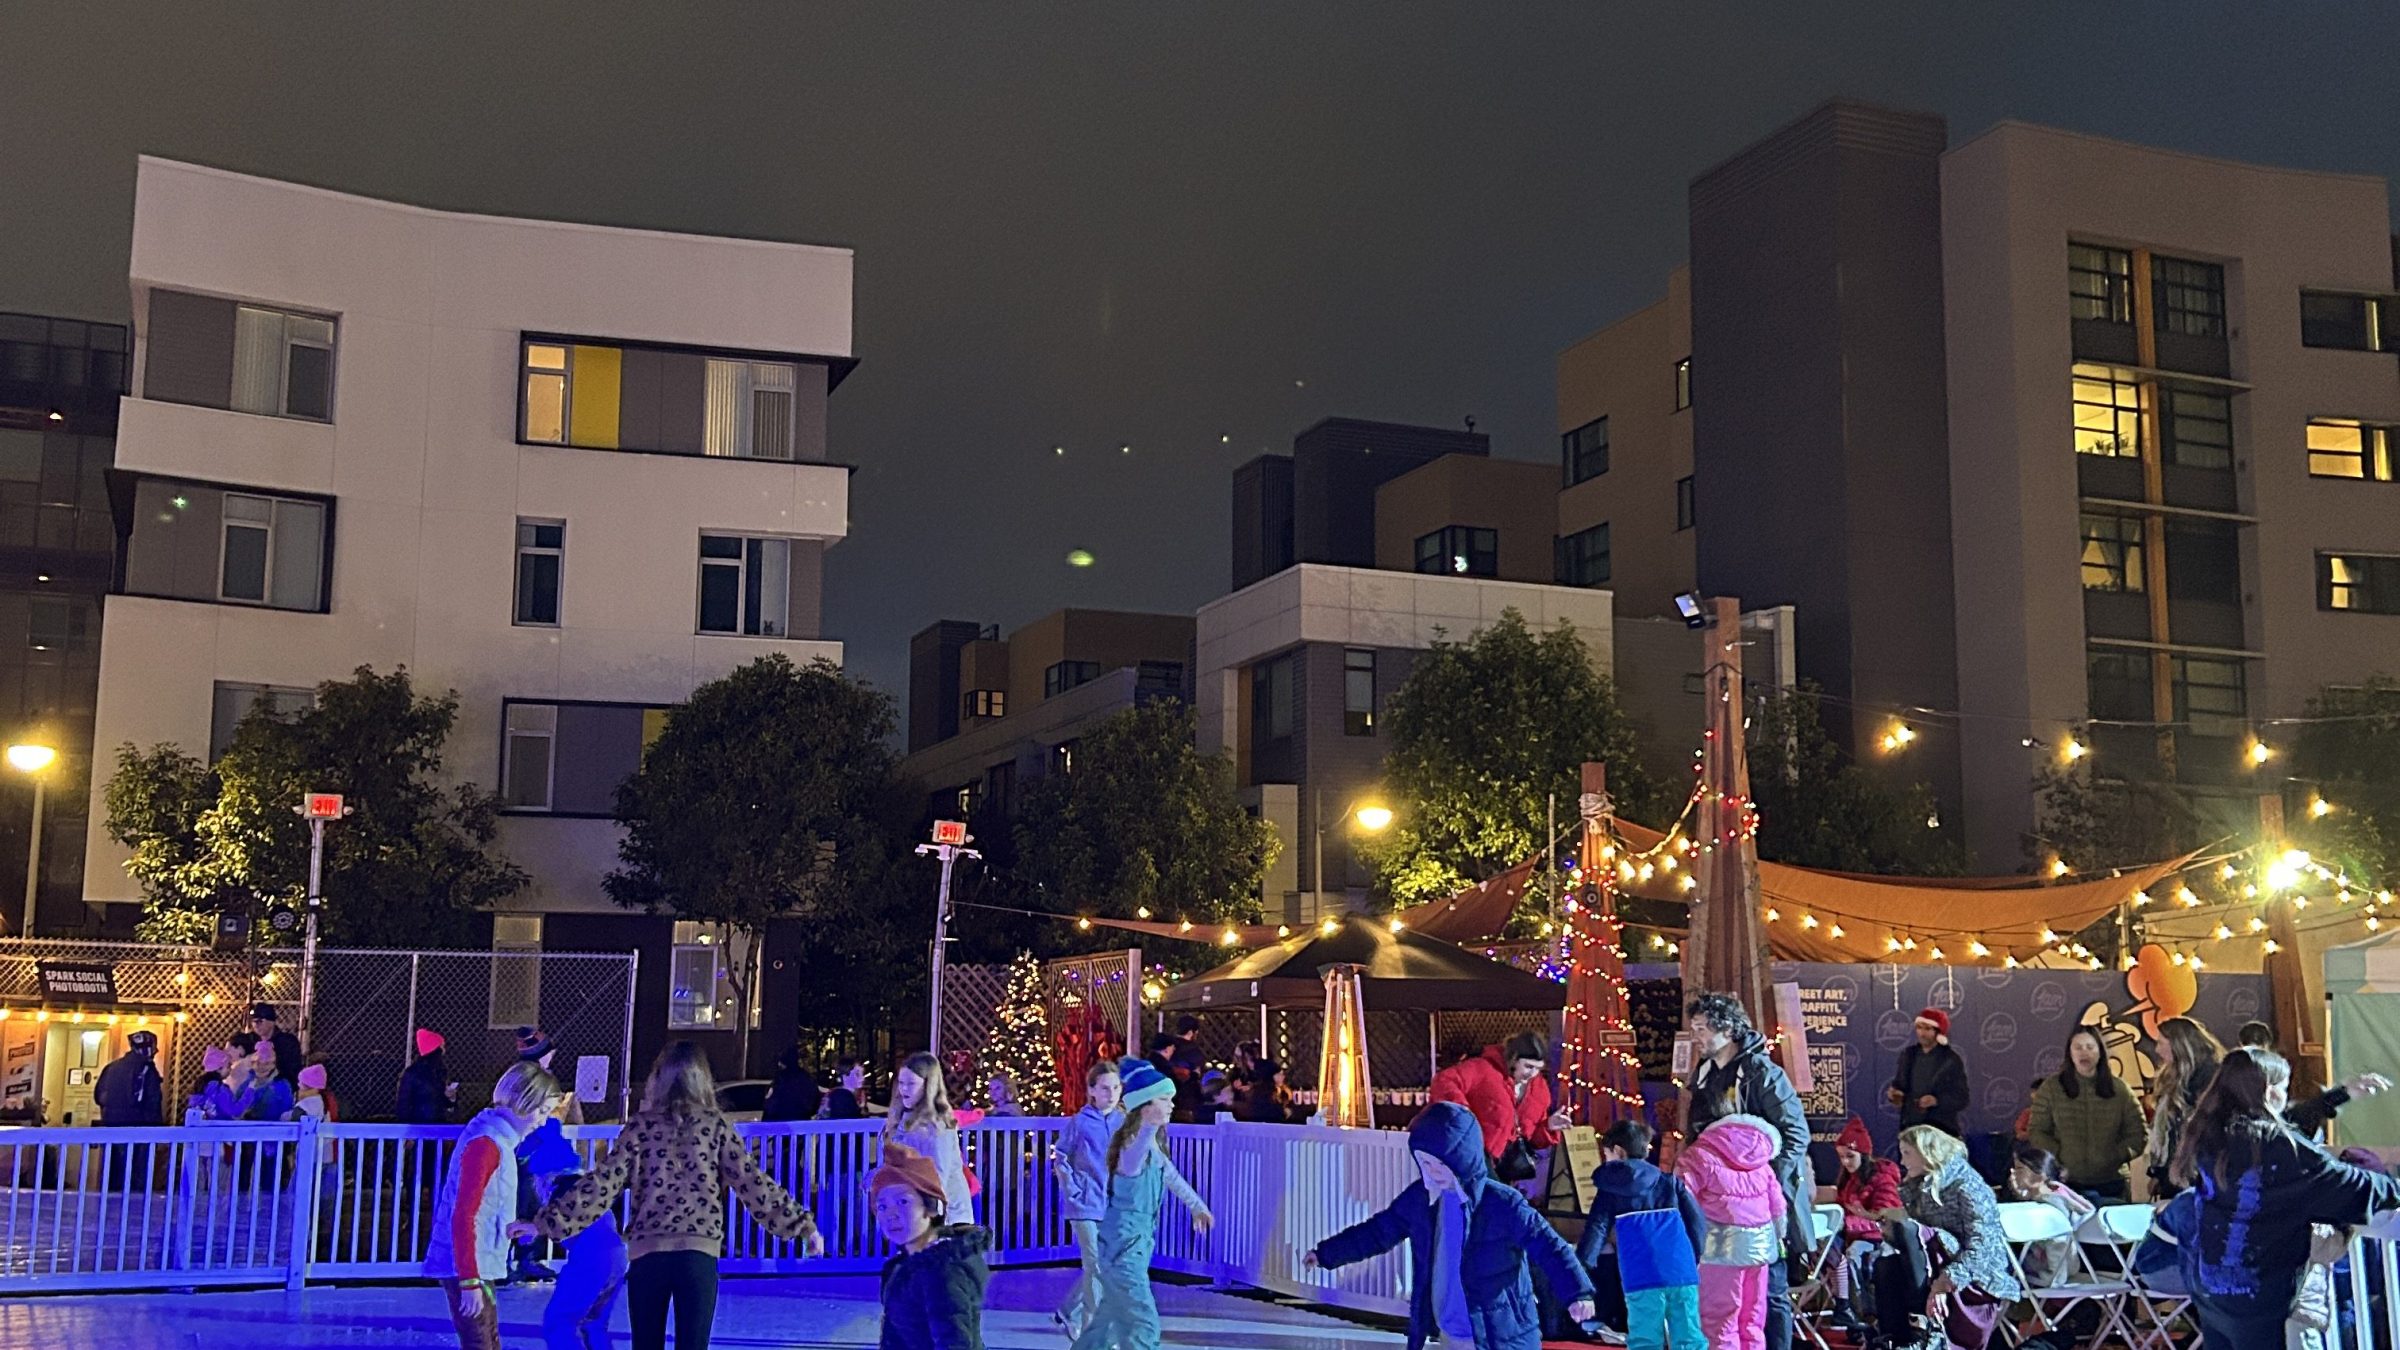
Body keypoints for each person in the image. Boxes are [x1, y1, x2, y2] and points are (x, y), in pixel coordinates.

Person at [537, 1041, 822, 1350]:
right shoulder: (715, 1128)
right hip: (697, 1254)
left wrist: (547, 1223)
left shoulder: (641, 1129)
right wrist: (802, 1226)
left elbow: (602, 1183)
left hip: (649, 1254)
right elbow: (753, 1184)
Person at [1306, 1101, 1595, 1350]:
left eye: (1441, 1164)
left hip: (1501, 1333)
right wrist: (1326, 1253)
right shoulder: (1421, 1201)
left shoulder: (1501, 1203)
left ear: (1463, 1158)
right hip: (1449, 1330)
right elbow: (1379, 1231)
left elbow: (1548, 1245)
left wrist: (1577, 1292)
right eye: (1426, 1164)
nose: (1433, 1172)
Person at [2168, 1047, 2400, 1350]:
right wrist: (2391, 1185)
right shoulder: (2277, 1148)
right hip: (2259, 1294)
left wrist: (2337, 1096)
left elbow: (2284, 1123)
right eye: (2284, 1088)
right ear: (2269, 1091)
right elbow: (2347, 1185)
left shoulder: (2211, 1133)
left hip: (2211, 1288)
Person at [1684, 993, 1812, 1350]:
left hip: (1761, 1204)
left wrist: (1765, 1178)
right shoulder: (1705, 1074)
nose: (1697, 1036)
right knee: (1724, 1297)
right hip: (1717, 1204)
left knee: (1769, 1290)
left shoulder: (1762, 1072)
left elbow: (1796, 1133)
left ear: (1727, 1028)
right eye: (1694, 1029)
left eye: (1702, 1029)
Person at [1070, 1058, 1213, 1350]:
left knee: (1105, 1325)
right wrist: (1149, 1124)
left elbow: (1171, 1176)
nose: (1171, 1105)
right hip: (1122, 1252)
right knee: (1142, 1324)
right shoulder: (1131, 1148)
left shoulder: (1149, 1149)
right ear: (1145, 1106)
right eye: (1164, 1099)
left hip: (1130, 1247)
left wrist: (1196, 1205)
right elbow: (1137, 1154)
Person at [426, 1062, 568, 1350]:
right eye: (541, 1111)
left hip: (477, 1262)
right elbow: (464, 1213)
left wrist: (506, 1225)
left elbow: (486, 1204)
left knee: (487, 1338)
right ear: (521, 1102)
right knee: (480, 1341)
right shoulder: (486, 1145)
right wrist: (469, 1281)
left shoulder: (496, 1140)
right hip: (467, 1265)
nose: (543, 1121)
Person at [1873, 1125, 2018, 1350]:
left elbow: (1983, 1246)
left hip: (1978, 1273)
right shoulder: (1917, 1186)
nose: (1902, 1162)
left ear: (1927, 1152)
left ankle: (1925, 1327)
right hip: (1935, 1263)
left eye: (1908, 1154)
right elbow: (1918, 1244)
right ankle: (1896, 1338)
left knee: (1909, 1229)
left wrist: (1945, 1282)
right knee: (1886, 1266)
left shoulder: (1968, 1186)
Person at [1576, 1118, 1705, 1350]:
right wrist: (1696, 1255)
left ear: (1618, 1151)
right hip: (1680, 1267)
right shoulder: (1669, 1182)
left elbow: (1597, 1228)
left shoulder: (1609, 1190)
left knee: (1645, 1336)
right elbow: (1696, 1222)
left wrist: (1583, 1265)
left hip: (1639, 1272)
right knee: (1688, 1333)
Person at [1677, 1112, 1790, 1350]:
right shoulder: (1761, 1158)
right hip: (1759, 1246)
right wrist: (1778, 1234)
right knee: (1752, 1317)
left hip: (1718, 1247)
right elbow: (1778, 1205)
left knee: (1719, 1317)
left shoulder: (1698, 1155)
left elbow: (1682, 1199)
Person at [514, 1119, 628, 1350]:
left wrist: (536, 1227)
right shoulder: (582, 1185)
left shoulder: (565, 1188)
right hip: (617, 1259)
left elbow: (569, 1212)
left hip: (591, 1262)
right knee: (594, 1325)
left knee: (558, 1323)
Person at [874, 1142, 991, 1350]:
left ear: (930, 1207)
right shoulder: (903, 1265)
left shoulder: (941, 1270)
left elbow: (954, 1342)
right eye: (882, 1206)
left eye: (903, 1202)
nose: (890, 1214)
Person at [2025, 1024, 2147, 1202]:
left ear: (2100, 1052)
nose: (2084, 1053)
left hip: (2112, 1184)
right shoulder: (2051, 1088)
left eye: (2090, 1047)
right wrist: (2059, 1159)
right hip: (2066, 1183)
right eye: (2078, 1047)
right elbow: (2037, 1130)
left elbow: (2138, 1134)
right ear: (2070, 1052)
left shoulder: (2120, 1090)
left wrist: (2115, 1156)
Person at [1428, 1032, 1573, 1176]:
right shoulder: (1482, 1069)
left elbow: (1532, 1137)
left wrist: (1549, 1126)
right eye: (1528, 1066)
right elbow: (1444, 1081)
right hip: (1473, 1156)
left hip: (1508, 1166)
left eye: (1538, 1068)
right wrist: (1462, 1114)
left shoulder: (1539, 1089)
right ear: (1513, 1059)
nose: (1532, 1074)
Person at [1053, 1059, 1124, 1338]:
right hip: (1084, 1203)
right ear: (1092, 1090)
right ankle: (1090, 1331)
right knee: (1095, 1265)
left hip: (1112, 1203)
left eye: (1116, 1087)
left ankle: (1066, 1310)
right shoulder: (1080, 1123)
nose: (1111, 1093)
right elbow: (1061, 1156)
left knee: (1103, 1265)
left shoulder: (1123, 1121)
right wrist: (1073, 1188)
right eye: (1105, 1088)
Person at [1826, 1117, 1900, 1333]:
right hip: (1856, 1237)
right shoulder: (1848, 1180)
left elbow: (1886, 1219)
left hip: (1878, 1240)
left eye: (1850, 1156)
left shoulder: (1882, 1179)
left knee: (1853, 1256)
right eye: (1841, 1157)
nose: (1846, 1162)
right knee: (1835, 1256)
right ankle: (1848, 1309)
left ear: (1864, 1154)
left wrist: (1847, 1224)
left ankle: (1864, 1313)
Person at [884, 1052, 974, 1226]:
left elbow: (938, 1175)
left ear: (927, 1087)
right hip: (913, 1213)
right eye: (901, 1083)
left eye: (911, 1084)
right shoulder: (902, 1119)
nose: (904, 1089)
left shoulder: (937, 1126)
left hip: (947, 1219)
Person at [2146, 1016, 2224, 1198]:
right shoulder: (2171, 1075)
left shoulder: (2211, 1076)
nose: (2157, 1050)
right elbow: (2167, 1132)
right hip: (2174, 1171)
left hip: (2201, 1171)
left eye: (2161, 1043)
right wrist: (2159, 1173)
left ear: (2178, 1044)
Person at [2007, 1147, 2093, 1289]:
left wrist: (2054, 1275)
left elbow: (2058, 1240)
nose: (2013, 1173)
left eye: (2019, 1169)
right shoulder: (2050, 1196)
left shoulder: (2051, 1203)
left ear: (2040, 1176)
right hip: (2056, 1267)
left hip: (2056, 1271)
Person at [1886, 1008, 1970, 1138]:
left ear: (1938, 1033)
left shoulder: (1951, 1060)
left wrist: (1937, 1101)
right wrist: (1896, 1095)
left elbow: (1962, 1097)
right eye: (1919, 1028)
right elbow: (1899, 1086)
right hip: (1911, 1127)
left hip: (1941, 1130)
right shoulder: (1908, 1055)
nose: (1922, 1033)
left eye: (1927, 1029)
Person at [96, 1029, 165, 1126]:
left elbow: (99, 1097)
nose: (155, 1052)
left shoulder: (111, 1067)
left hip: (110, 1129)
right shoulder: (147, 1070)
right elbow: (153, 1104)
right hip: (137, 1131)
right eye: (154, 1048)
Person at [398, 1028, 460, 1125]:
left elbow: (403, 1104)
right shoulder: (440, 1072)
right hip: (437, 1125)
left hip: (415, 1126)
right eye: (442, 1047)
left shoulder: (411, 1072)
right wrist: (450, 1099)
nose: (444, 1050)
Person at [763, 1046, 823, 1124]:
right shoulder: (806, 1078)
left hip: (783, 1122)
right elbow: (815, 1099)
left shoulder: (781, 1078)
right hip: (802, 1121)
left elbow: (772, 1101)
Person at [252, 1003, 304, 1085]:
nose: (256, 1025)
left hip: (280, 1087)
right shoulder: (250, 1040)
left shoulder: (287, 1042)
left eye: (260, 1021)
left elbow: (293, 1069)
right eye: (253, 1021)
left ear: (271, 1022)